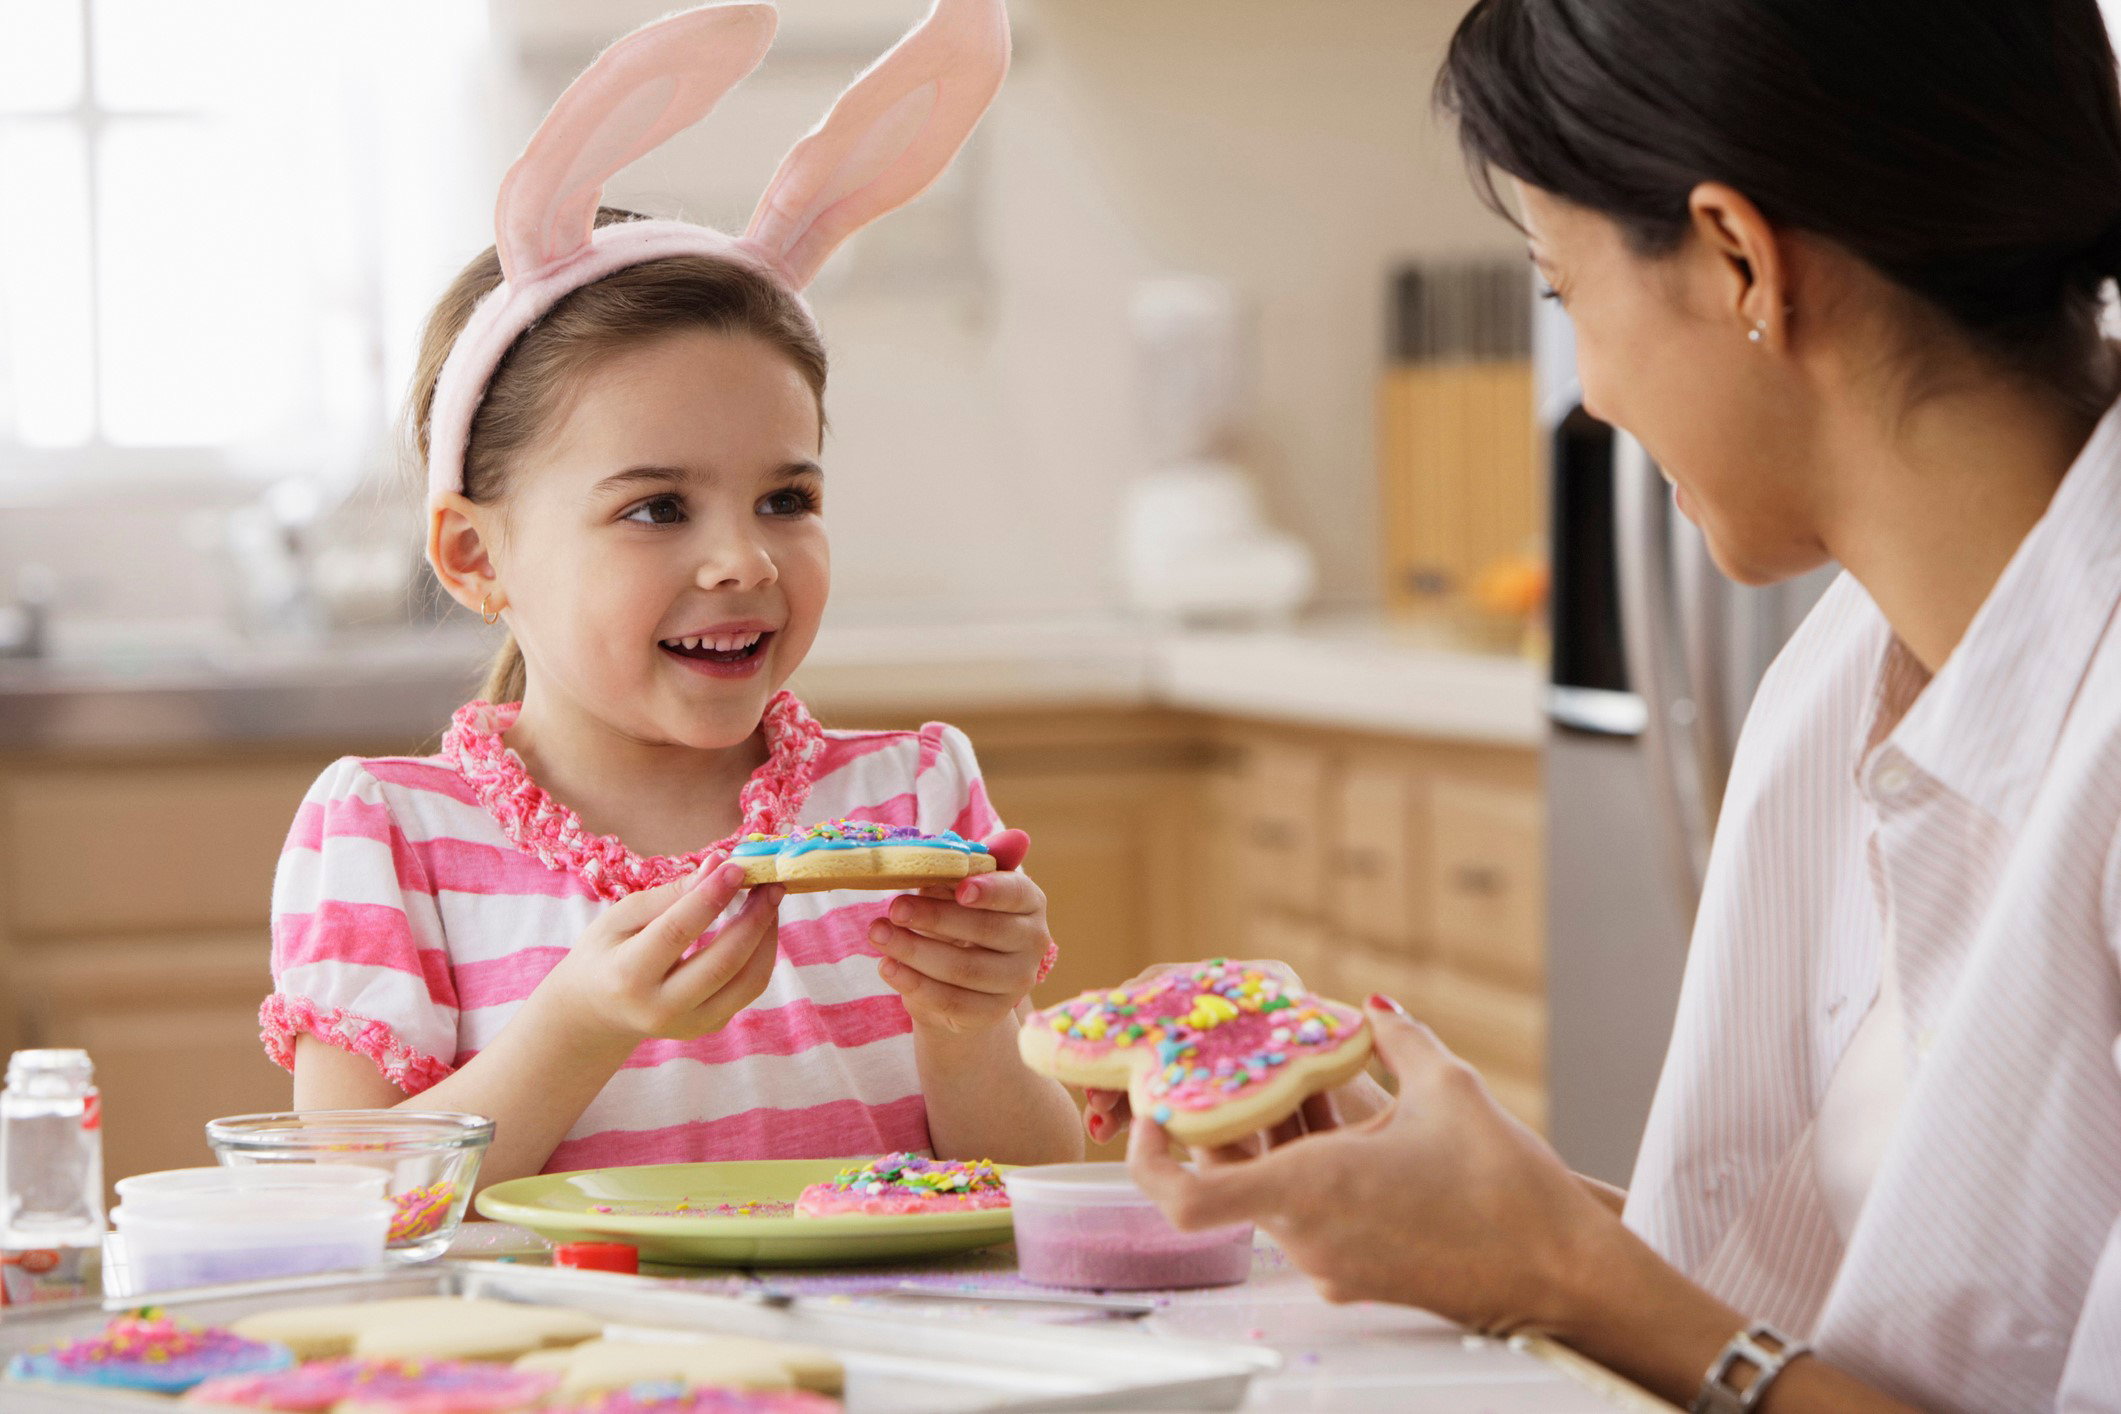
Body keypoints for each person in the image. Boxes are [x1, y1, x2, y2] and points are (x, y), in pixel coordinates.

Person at [1117, 1, 2121, 1408]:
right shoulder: (1834, 682)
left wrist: (1566, 1276)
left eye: (1558, 291)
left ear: (1734, 261)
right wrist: (1483, 1217)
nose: (1584, 396)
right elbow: (1822, 1295)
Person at [260, 0, 1082, 1187]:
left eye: (786, 499)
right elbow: (347, 1204)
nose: (743, 560)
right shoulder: (395, 840)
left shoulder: (907, 802)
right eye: (655, 508)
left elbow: (1035, 1180)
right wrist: (579, 1023)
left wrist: (965, 1031)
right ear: (474, 556)